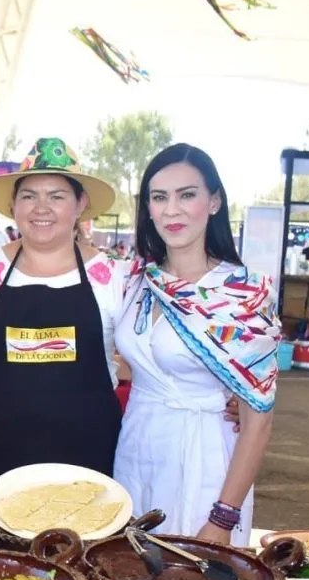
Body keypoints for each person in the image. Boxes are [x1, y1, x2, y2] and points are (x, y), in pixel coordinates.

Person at [115, 144, 279, 545]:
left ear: (214, 201)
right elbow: (144, 362)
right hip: (136, 448)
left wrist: (223, 518)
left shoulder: (243, 294)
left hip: (205, 459)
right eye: (159, 197)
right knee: (128, 568)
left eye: (186, 195)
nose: (172, 210)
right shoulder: (135, 281)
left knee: (196, 573)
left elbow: (258, 421)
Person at [0, 138, 128, 488]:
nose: (41, 208)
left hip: (86, 455)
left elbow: (147, 358)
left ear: (81, 204)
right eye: (29, 196)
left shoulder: (111, 277)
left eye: (57, 196)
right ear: (13, 205)